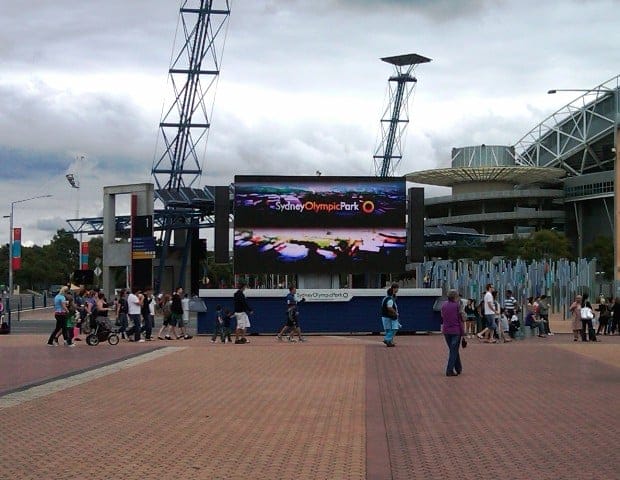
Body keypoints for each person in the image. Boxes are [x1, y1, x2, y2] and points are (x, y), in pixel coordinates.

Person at [441, 290, 464, 376]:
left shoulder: (444, 305)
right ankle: (449, 370)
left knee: (453, 349)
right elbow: (461, 318)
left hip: (446, 330)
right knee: (454, 350)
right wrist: (463, 332)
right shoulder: (457, 306)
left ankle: (458, 368)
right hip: (455, 330)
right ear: (455, 297)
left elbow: (442, 316)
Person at [380, 283, 400, 347]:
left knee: (388, 330)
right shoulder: (390, 300)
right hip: (389, 316)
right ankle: (387, 339)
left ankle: (390, 341)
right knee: (395, 328)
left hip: (385, 316)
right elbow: (389, 307)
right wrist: (395, 313)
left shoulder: (385, 299)